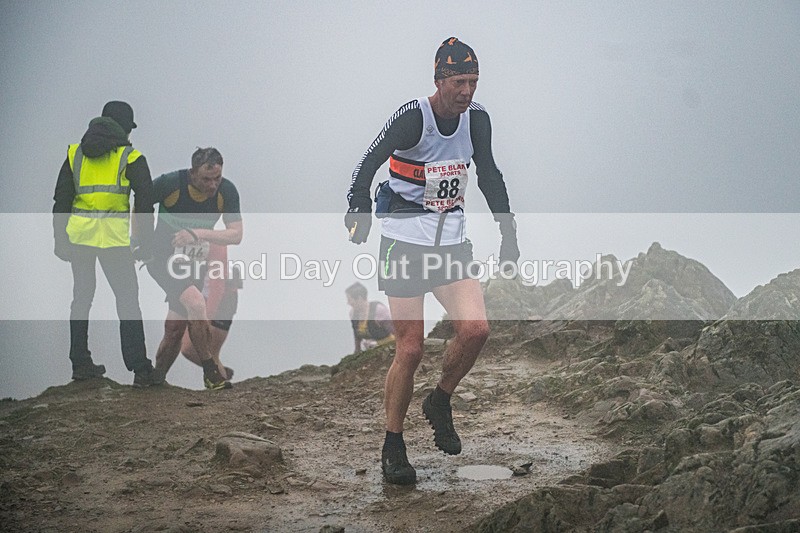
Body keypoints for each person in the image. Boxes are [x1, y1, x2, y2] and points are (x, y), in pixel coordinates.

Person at [345, 38, 520, 485]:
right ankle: (393, 444)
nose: (468, 91)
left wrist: (508, 230)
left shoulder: (477, 121)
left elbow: (490, 173)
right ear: (439, 80)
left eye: (474, 82)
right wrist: (358, 210)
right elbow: (367, 164)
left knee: (476, 329)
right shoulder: (413, 118)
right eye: (460, 81)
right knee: (411, 347)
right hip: (403, 243)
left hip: (450, 243)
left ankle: (440, 399)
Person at [52, 101, 161, 387]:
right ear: (125, 127)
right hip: (113, 241)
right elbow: (146, 201)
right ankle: (140, 370)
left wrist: (59, 240)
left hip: (80, 238)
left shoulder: (75, 154)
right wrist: (146, 243)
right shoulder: (131, 156)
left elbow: (61, 200)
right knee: (127, 301)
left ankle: (80, 363)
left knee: (82, 298)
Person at [147, 147, 243, 390]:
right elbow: (141, 198)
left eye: (217, 178)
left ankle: (156, 379)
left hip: (192, 263)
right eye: (206, 179)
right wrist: (140, 239)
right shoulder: (171, 184)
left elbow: (236, 235)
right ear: (192, 174)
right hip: (163, 258)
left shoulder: (226, 191)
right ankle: (211, 373)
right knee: (196, 303)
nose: (212, 185)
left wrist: (196, 234)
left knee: (175, 328)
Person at [168, 243, 241, 381]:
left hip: (223, 298)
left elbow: (217, 286)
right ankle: (220, 373)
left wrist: (206, 319)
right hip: (204, 296)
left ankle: (219, 378)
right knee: (188, 349)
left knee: (206, 351)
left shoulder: (214, 242)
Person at [345, 282, 395, 353]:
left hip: (389, 348)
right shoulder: (353, 314)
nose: (348, 303)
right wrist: (357, 351)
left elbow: (396, 333)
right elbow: (357, 335)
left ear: (359, 298)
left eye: (350, 299)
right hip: (371, 351)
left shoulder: (378, 310)